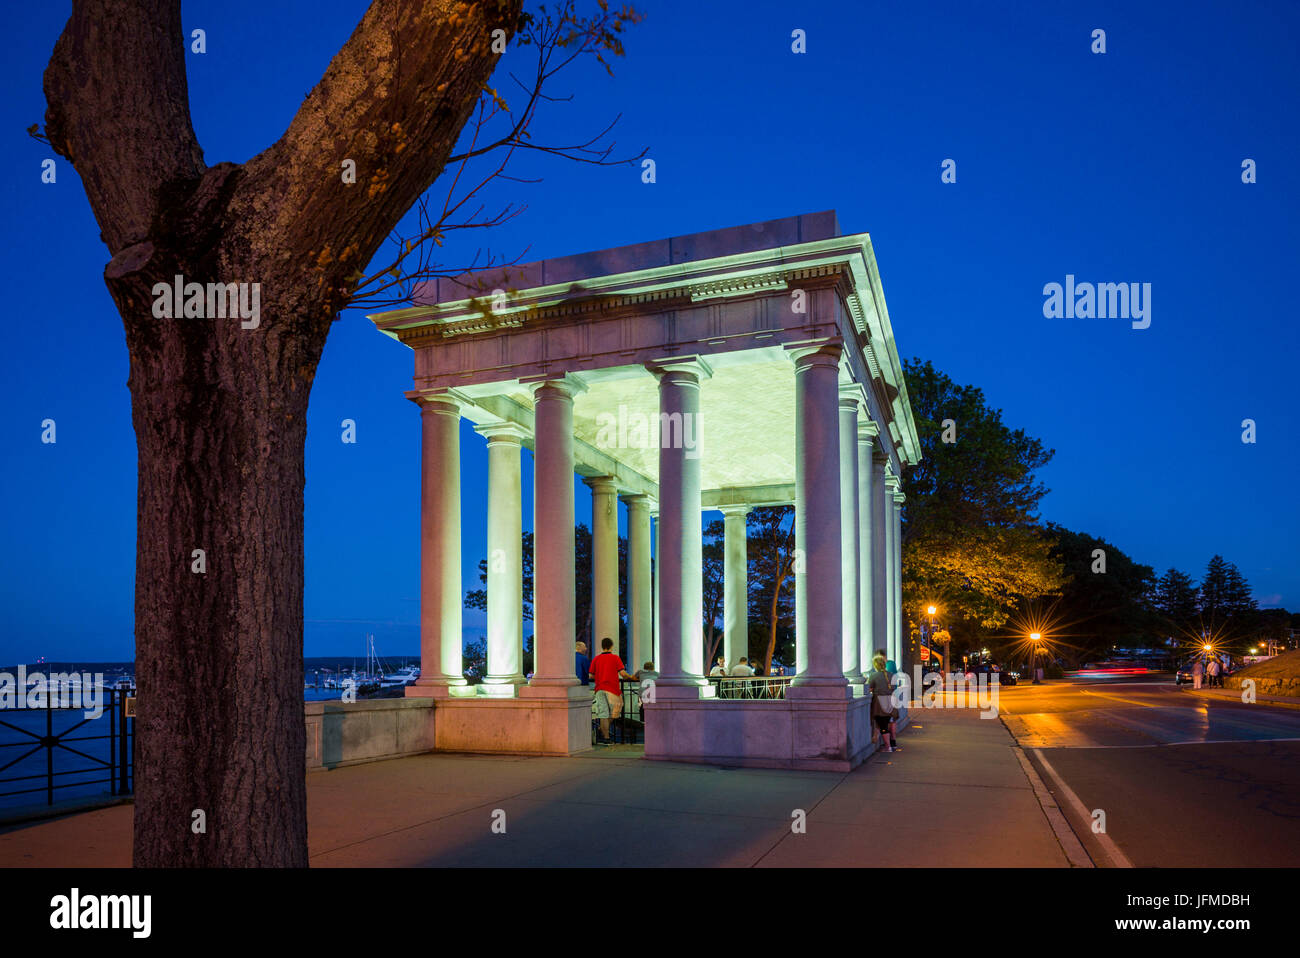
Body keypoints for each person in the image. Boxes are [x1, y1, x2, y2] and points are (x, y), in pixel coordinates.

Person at [589, 637, 635, 745]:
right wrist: (631, 677)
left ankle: (606, 737)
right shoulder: (615, 658)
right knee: (616, 711)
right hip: (612, 689)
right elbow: (623, 674)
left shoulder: (596, 659)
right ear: (611, 646)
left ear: (602, 646)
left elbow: (591, 675)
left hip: (599, 688)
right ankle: (603, 729)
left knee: (603, 714)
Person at [867, 653, 899, 752]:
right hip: (891, 701)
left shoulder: (873, 675)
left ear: (875, 665)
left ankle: (887, 747)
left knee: (883, 725)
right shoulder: (891, 675)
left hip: (880, 703)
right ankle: (892, 745)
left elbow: (869, 688)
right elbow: (894, 687)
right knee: (888, 722)